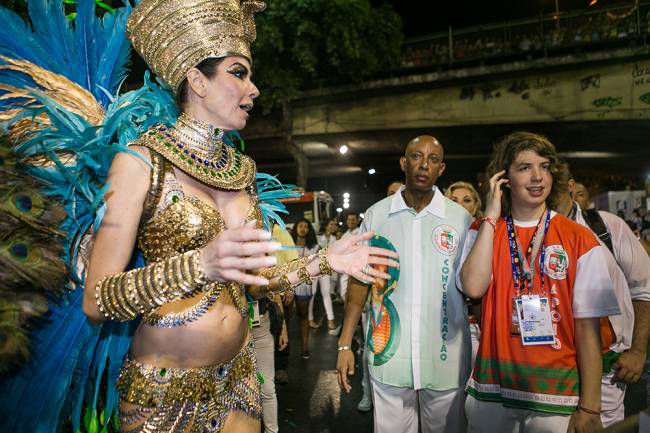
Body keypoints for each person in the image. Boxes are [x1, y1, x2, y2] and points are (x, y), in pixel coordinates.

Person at [81, 1, 399, 432]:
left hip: (238, 379)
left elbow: (258, 282)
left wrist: (327, 261)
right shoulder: (141, 162)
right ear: (197, 80)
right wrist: (201, 264)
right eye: (238, 72)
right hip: (162, 391)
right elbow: (97, 299)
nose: (254, 89)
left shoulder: (241, 172)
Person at [458, 131, 620, 433]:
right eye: (525, 167)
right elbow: (473, 288)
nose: (537, 177)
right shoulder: (484, 231)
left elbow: (588, 331)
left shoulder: (580, 239)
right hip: (492, 391)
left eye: (544, 166)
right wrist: (491, 216)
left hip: (556, 395)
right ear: (504, 178)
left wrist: (590, 407)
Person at [337, 135, 472, 433]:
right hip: (389, 356)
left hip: (446, 361)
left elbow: (475, 287)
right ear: (403, 162)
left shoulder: (460, 219)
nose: (424, 165)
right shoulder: (377, 215)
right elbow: (360, 280)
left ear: (441, 169)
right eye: (416, 156)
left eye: (433, 159)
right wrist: (345, 343)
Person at [556, 172, 650, 427]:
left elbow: (644, 289)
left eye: (554, 182)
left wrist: (638, 350)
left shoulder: (606, 226)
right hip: (553, 370)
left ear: (570, 186)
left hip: (607, 370)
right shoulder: (531, 231)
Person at [445, 181, 483, 366]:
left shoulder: (487, 233)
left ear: (476, 206)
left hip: (480, 323)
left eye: (466, 200)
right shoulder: (439, 238)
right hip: (449, 324)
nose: (460, 205)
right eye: (453, 200)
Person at [290, 218, 321, 359]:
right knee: (287, 318)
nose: (303, 228)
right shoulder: (287, 245)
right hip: (287, 285)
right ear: (296, 228)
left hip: (304, 286)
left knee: (303, 317)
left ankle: (304, 348)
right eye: (300, 225)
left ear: (309, 230)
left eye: (306, 226)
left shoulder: (314, 247)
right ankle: (285, 350)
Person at [309, 217, 342, 335]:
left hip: (325, 268)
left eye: (334, 224)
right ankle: (310, 319)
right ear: (326, 225)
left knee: (326, 293)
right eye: (332, 224)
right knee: (311, 294)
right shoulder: (317, 237)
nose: (334, 226)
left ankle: (330, 321)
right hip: (314, 268)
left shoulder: (334, 238)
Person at [337, 212, 362, 304]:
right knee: (344, 294)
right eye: (349, 220)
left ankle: (362, 317)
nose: (351, 222)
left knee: (359, 295)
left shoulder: (361, 232)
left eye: (353, 219)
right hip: (346, 269)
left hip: (359, 268)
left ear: (357, 221)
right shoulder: (345, 235)